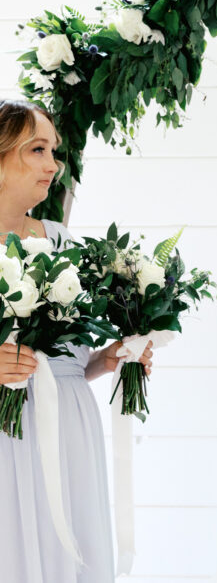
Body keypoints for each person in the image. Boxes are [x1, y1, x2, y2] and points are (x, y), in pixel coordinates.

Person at [0, 99, 153, 583]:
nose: (53, 165)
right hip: (9, 436)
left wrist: (109, 359)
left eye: (54, 151)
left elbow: (69, 359)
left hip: (69, 423)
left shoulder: (63, 241)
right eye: (37, 150)